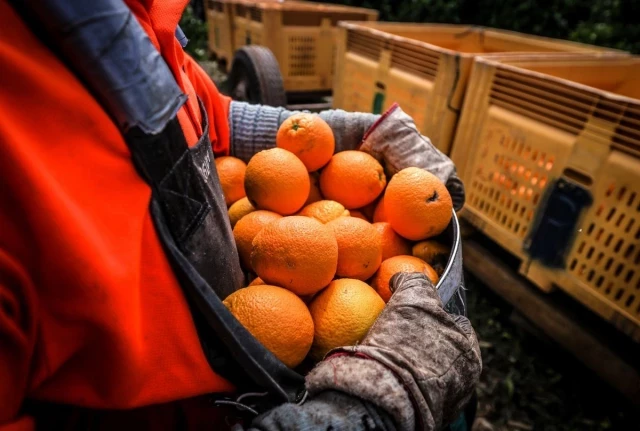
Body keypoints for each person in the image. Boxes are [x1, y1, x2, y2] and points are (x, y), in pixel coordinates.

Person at [0, 0, 482, 430]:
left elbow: (205, 116)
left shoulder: (126, 17)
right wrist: (353, 414)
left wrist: (343, 134)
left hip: (266, 323)